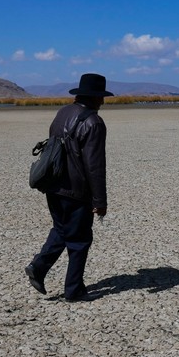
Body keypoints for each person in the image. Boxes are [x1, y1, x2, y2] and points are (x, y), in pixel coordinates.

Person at [25, 73, 111, 301]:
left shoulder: (63, 112)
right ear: (94, 97)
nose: (102, 102)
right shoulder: (93, 122)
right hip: (76, 190)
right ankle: (74, 290)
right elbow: (94, 166)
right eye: (101, 97)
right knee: (80, 240)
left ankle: (38, 267)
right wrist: (100, 201)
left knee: (62, 229)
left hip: (53, 184)